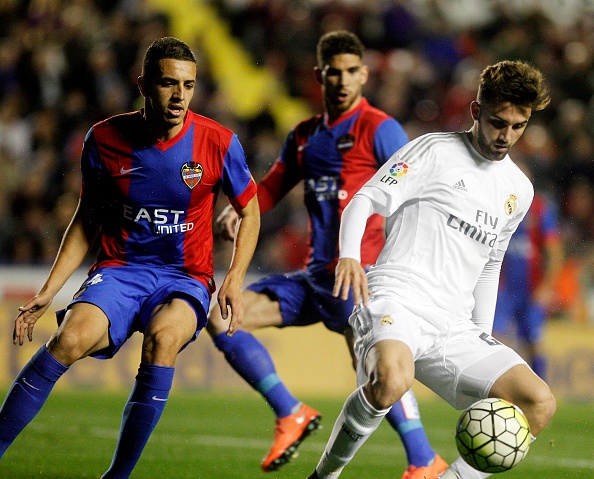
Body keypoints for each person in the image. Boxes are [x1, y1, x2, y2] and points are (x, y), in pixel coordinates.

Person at [0, 36, 259, 478]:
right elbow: (87, 220)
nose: (179, 96)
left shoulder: (218, 142)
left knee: (164, 339)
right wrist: (49, 290)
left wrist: (234, 277)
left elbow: (249, 210)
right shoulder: (104, 139)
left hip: (185, 276)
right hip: (121, 270)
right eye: (168, 83)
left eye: (188, 85)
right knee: (68, 340)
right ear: (143, 85)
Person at [208, 30, 446, 479]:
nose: (342, 81)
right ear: (319, 75)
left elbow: (416, 195)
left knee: (375, 367)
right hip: (316, 278)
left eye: (351, 72)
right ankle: (290, 412)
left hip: (363, 276)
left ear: (364, 75)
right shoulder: (304, 136)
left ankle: (423, 459)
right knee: (222, 316)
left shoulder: (380, 129)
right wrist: (238, 209)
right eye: (334, 73)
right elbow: (272, 186)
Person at [308, 60, 557, 479]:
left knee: (539, 403)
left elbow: (490, 262)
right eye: (498, 122)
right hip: (397, 296)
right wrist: (349, 254)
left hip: (454, 325)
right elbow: (365, 200)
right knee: (390, 381)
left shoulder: (519, 189)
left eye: (519, 126)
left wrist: (482, 335)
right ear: (476, 111)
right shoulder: (433, 150)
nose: (506, 135)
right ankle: (324, 476)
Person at [493, 161, 564, 380]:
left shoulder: (540, 209)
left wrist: (546, 286)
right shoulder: (495, 203)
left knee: (533, 342)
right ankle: (497, 390)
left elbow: (554, 251)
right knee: (494, 339)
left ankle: (540, 389)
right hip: (502, 288)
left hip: (531, 288)